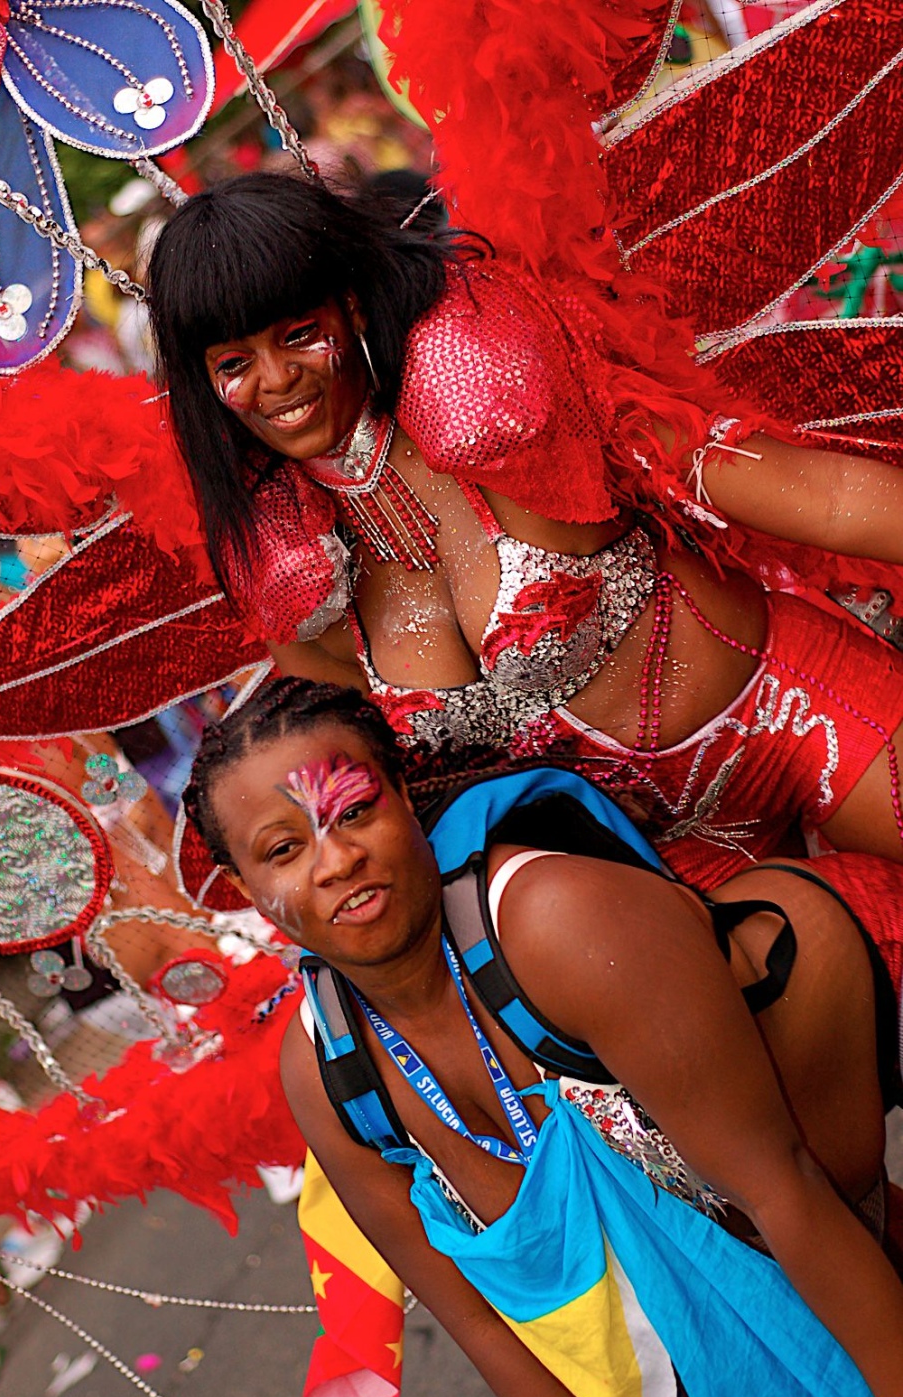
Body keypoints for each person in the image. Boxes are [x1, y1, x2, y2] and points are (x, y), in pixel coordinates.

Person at [183, 676, 903, 1397]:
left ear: (401, 790)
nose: (338, 860)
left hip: (833, 1328)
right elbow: (489, 1335)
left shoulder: (556, 923)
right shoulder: (329, 1076)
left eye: (355, 809)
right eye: (284, 849)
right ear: (244, 888)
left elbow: (785, 1193)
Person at [148, 171, 903, 894]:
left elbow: (820, 495)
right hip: (656, 865)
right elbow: (375, 789)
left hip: (800, 716)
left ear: (352, 307)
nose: (277, 380)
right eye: (236, 362)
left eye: (300, 334)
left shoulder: (498, 399)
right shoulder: (285, 567)